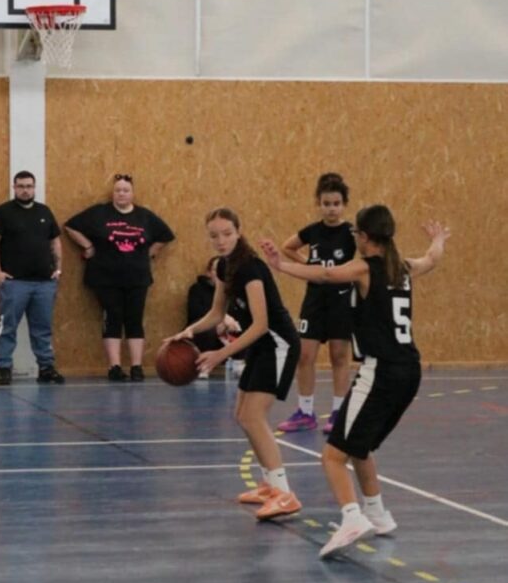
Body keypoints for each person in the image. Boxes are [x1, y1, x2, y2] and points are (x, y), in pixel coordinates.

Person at [261, 207, 450, 558]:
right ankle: (377, 514)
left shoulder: (365, 268)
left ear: (364, 237)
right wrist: (438, 240)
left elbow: (325, 274)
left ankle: (352, 518)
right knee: (360, 447)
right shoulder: (402, 268)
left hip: (381, 371)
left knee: (332, 456)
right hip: (410, 371)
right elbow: (432, 259)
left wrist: (281, 265)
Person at [170, 208, 301, 521]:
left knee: (254, 417)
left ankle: (285, 494)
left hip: (278, 344)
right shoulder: (223, 266)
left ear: (239, 232)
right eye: (214, 235)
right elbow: (217, 313)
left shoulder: (251, 268)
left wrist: (220, 355)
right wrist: (188, 331)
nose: (221, 240)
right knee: (242, 415)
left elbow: (260, 324)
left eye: (227, 233)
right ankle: (269, 486)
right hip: (260, 345)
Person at [64, 174, 175, 381]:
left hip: (137, 278)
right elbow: (70, 226)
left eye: (125, 190)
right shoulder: (99, 213)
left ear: (132, 193)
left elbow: (166, 235)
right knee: (113, 318)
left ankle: (136, 367)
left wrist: (151, 252)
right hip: (105, 278)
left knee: (135, 319)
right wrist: (88, 246)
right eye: (117, 190)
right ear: (113, 193)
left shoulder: (144, 216)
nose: (121, 194)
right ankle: (114, 367)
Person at [277, 172, 356, 436]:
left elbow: (367, 256)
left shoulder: (351, 232)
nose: (331, 209)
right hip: (314, 300)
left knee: (339, 356)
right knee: (305, 355)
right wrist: (309, 265)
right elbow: (288, 247)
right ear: (318, 204)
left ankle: (338, 413)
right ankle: (305, 412)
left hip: (341, 300)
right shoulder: (312, 231)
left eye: (336, 203)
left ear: (344, 204)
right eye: (326, 203)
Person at [0, 170, 64, 386]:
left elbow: (55, 241)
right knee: (7, 326)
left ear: (34, 187)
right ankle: (3, 367)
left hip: (44, 282)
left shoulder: (44, 212)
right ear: (14, 187)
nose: (25, 190)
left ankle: (46, 367)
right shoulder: (3, 212)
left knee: (42, 328)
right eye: (20, 186)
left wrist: (58, 269)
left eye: (29, 186)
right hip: (14, 282)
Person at [187, 257, 242, 378]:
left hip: (226, 332)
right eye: (216, 270)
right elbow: (195, 312)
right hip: (205, 332)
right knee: (204, 328)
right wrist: (220, 320)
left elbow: (239, 312)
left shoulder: (233, 291)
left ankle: (238, 361)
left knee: (242, 327)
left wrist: (229, 323)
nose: (220, 274)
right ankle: (203, 364)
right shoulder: (197, 289)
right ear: (208, 272)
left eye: (224, 271)